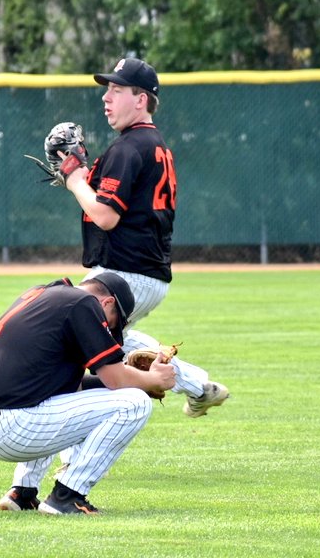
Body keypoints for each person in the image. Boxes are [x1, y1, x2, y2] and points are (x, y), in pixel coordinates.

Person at [54, 57, 229, 418]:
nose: (106, 98)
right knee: (116, 344)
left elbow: (104, 215)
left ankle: (53, 450)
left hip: (123, 273)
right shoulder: (151, 145)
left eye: (117, 90)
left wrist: (74, 182)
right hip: (145, 273)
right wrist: (85, 176)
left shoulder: (128, 148)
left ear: (141, 99)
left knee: (71, 340)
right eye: (107, 90)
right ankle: (199, 387)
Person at [0, 273, 175, 515]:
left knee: (55, 398)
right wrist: (152, 380)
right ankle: (67, 495)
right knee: (135, 403)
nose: (110, 330)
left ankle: (23, 492)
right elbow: (116, 379)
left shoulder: (46, 296)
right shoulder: (84, 303)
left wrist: (137, 380)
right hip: (13, 426)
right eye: (114, 323)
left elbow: (72, 385)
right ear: (107, 303)